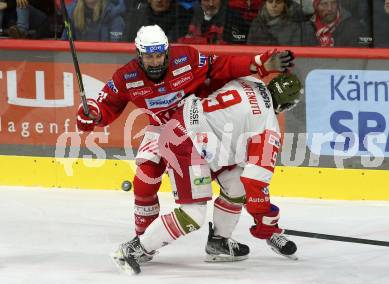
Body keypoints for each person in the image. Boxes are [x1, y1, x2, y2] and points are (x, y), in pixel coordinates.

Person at [76, 25, 294, 263]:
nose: (155, 61)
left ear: (167, 52)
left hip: (200, 128)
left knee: (235, 186)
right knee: (146, 179)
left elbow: (220, 66)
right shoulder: (126, 77)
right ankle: (143, 240)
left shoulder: (186, 58)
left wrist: (259, 64)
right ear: (139, 55)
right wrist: (92, 114)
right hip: (167, 128)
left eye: (159, 54)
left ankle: (218, 241)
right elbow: (104, 103)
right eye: (149, 56)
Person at [112, 73, 302, 275]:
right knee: (193, 215)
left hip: (189, 125)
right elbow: (256, 183)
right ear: (287, 106)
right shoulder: (269, 128)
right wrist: (266, 222)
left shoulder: (250, 80)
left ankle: (219, 243)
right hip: (188, 144)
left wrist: (264, 219)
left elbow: (214, 79)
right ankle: (133, 249)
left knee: (237, 185)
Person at [247, 0, 317, 46]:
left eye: (278, 2)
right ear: (265, 4)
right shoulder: (257, 24)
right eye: (270, 1)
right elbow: (250, 49)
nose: (274, 5)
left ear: (284, 5)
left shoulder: (297, 24)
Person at [123, 0, 192, 42]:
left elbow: (173, 41)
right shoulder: (137, 15)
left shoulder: (181, 14)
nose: (159, 0)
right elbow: (128, 40)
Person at [61, 0, 125, 41]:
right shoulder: (73, 13)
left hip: (104, 61)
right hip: (78, 61)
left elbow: (115, 54)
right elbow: (64, 45)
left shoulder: (115, 18)